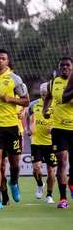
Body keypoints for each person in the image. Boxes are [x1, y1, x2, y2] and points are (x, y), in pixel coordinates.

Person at [0, 49, 29, 209]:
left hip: (12, 127)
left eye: (3, 58)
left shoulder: (15, 79)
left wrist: (10, 99)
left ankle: (14, 182)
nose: (0, 61)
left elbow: (26, 101)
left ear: (7, 61)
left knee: (14, 163)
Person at [43, 57, 73, 209]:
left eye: (67, 65)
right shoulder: (53, 82)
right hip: (59, 129)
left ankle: (71, 183)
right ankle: (63, 198)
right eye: (62, 66)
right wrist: (45, 111)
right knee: (62, 161)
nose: (65, 68)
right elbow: (47, 97)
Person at [27, 82, 57, 203]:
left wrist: (54, 128)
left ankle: (49, 195)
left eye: (46, 94)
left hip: (51, 143)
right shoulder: (33, 105)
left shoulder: (56, 105)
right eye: (42, 94)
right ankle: (40, 185)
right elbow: (29, 117)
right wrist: (29, 128)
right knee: (36, 169)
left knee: (51, 171)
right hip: (36, 142)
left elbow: (61, 120)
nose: (44, 96)